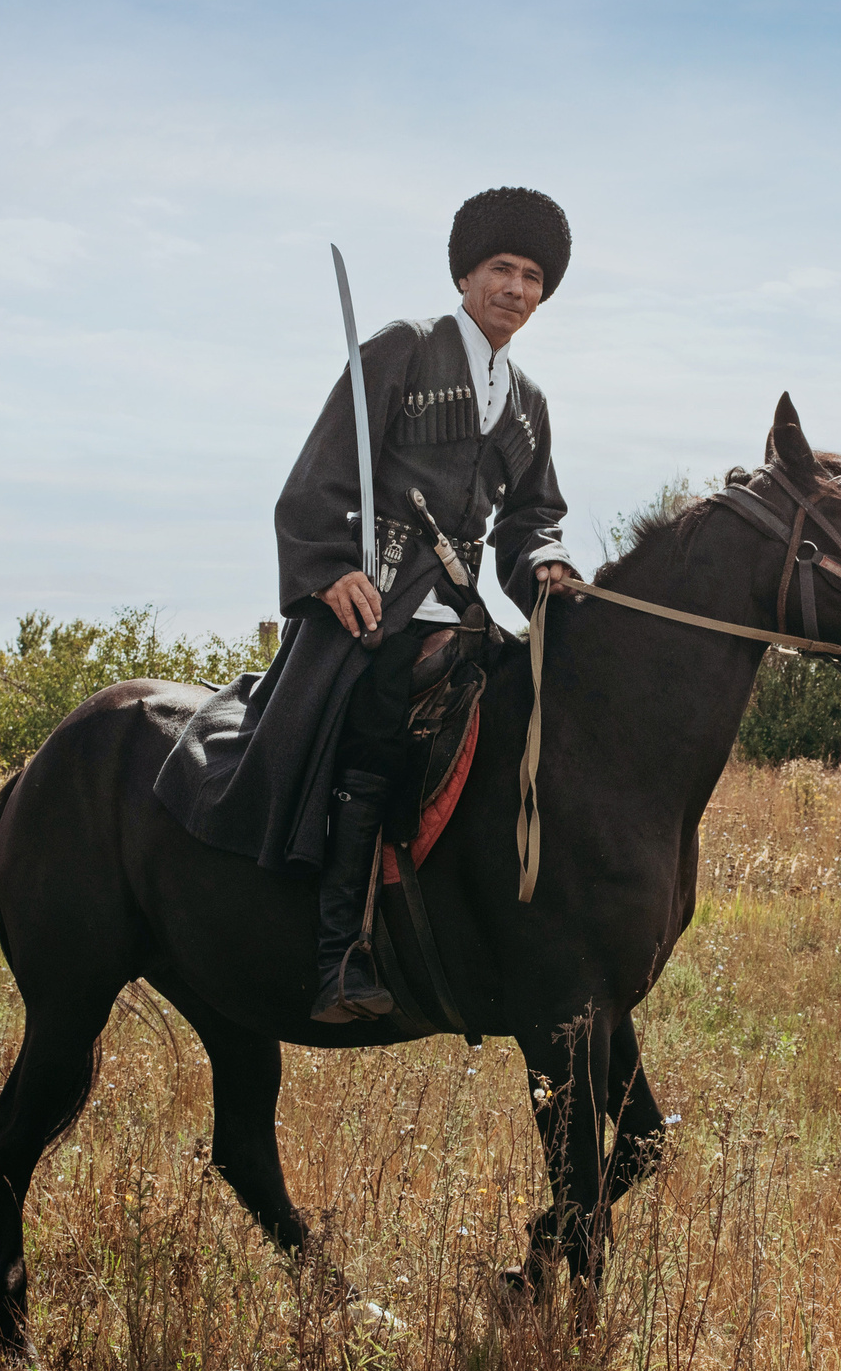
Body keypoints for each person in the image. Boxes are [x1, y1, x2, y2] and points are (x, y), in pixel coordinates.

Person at [154, 187, 578, 1023]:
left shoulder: (529, 405)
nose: (517, 289)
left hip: (460, 617)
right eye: (502, 268)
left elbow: (532, 523)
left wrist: (549, 569)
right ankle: (338, 954)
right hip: (375, 606)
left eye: (532, 276)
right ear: (466, 274)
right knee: (378, 722)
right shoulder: (403, 349)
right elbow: (318, 477)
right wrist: (328, 569)